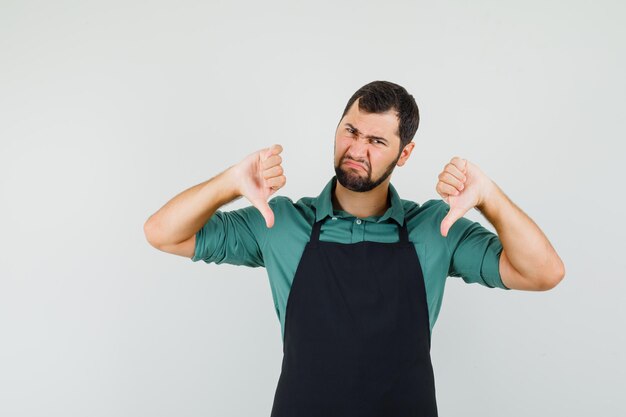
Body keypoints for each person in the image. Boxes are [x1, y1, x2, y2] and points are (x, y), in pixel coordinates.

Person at [144, 80, 565, 416]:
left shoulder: (437, 228)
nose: (357, 150)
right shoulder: (281, 223)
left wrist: (489, 197)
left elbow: (543, 272)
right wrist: (229, 183)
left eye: (377, 141)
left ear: (405, 153)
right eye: (351, 131)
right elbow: (163, 232)